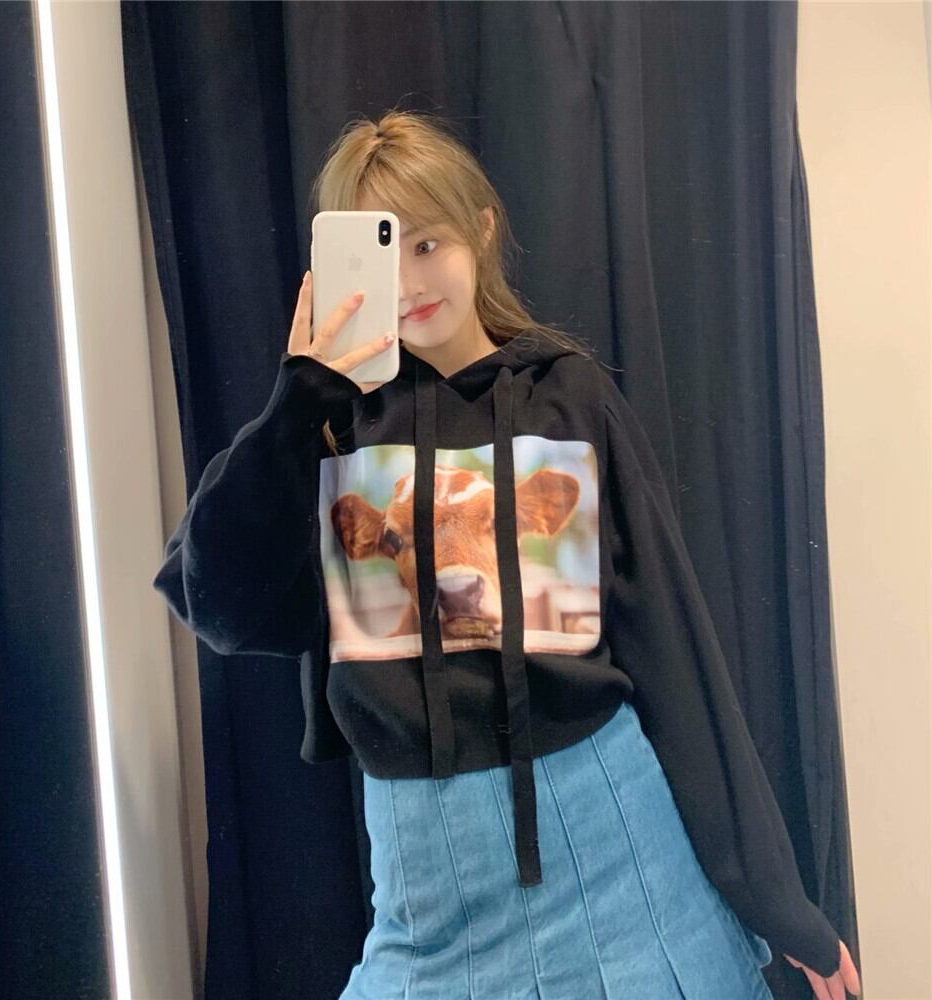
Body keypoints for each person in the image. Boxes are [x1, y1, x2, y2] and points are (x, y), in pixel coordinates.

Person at [153, 110, 861, 1000]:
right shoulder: (332, 428)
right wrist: (297, 401)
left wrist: (778, 902)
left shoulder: (568, 398)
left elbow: (673, 649)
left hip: (610, 854)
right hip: (425, 894)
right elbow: (218, 604)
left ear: (481, 231)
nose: (411, 282)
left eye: (429, 243)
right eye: (385, 254)